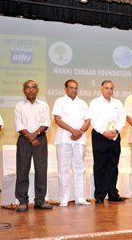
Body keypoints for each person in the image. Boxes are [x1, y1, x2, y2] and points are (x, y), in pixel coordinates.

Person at [14, 80, 52, 212]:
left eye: (33, 87)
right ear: (24, 90)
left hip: (40, 140)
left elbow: (46, 122)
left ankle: (40, 201)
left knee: (41, 171)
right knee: (22, 170)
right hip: (24, 140)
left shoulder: (44, 105)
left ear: (37, 90)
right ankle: (22, 201)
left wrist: (36, 134)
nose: (31, 90)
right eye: (28, 88)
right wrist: (30, 137)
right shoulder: (19, 106)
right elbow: (19, 125)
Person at [52, 79, 91, 207]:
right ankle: (64, 199)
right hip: (64, 139)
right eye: (71, 87)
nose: (74, 90)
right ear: (66, 89)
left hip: (80, 139)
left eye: (75, 87)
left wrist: (79, 132)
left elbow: (88, 121)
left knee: (79, 169)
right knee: (63, 169)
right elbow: (57, 119)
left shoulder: (82, 103)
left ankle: (80, 198)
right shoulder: (59, 101)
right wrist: (72, 131)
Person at [89, 80, 126, 204]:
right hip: (100, 136)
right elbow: (93, 120)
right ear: (101, 89)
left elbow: (122, 120)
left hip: (115, 137)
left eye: (111, 88)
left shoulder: (118, 103)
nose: (109, 90)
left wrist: (116, 130)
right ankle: (99, 195)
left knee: (113, 166)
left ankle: (113, 194)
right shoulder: (95, 103)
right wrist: (104, 132)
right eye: (106, 88)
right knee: (100, 166)